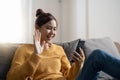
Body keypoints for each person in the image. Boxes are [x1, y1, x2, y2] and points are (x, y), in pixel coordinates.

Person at [6, 9, 85, 80]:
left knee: (96, 56)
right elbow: (11, 77)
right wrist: (35, 55)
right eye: (49, 28)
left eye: (54, 29)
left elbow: (69, 76)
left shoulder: (59, 49)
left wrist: (78, 65)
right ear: (37, 28)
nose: (52, 32)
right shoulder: (24, 49)